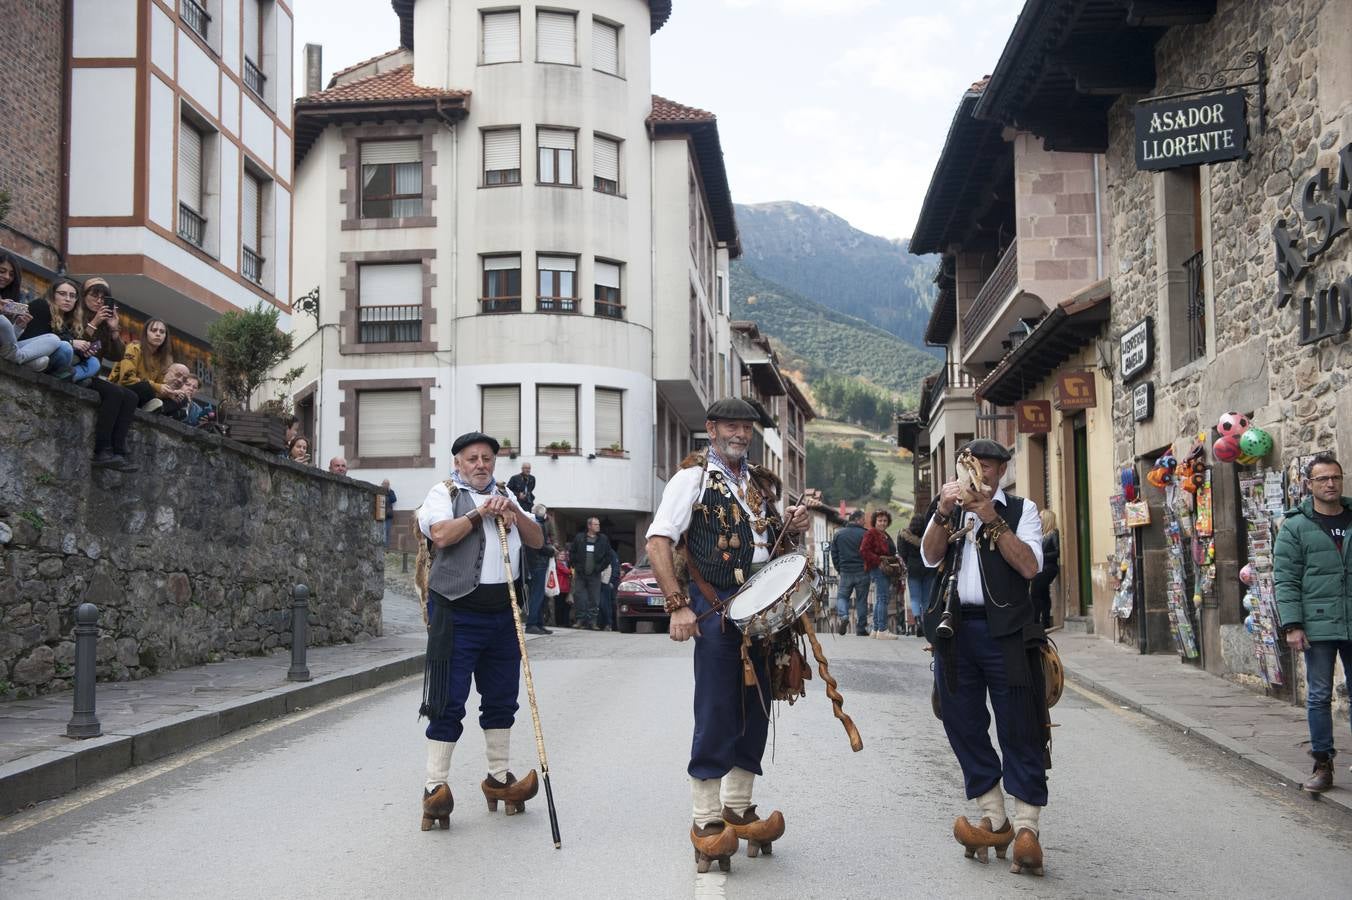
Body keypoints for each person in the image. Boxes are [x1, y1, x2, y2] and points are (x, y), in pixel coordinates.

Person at [645, 397, 810, 872]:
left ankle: (738, 807)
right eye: (732, 425)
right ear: (712, 428)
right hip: (714, 604)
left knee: (755, 707)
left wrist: (790, 526)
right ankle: (705, 820)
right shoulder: (691, 479)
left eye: (748, 427)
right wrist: (677, 605)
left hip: (763, 611)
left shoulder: (757, 483)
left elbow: (771, 544)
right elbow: (658, 541)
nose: (741, 433)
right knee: (718, 708)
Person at [920, 439, 1047, 876]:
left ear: (1003, 471)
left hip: (1008, 632)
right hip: (956, 630)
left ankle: (1027, 827)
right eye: (973, 465)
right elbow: (930, 555)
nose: (981, 474)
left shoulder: (1021, 509)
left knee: (1021, 725)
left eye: (989, 467)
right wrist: (943, 509)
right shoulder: (951, 508)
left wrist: (991, 518)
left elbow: (1030, 567)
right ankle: (994, 816)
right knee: (961, 721)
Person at [415, 431, 545, 831]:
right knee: (448, 700)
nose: (480, 465)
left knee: (502, 697)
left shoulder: (508, 494)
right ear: (458, 462)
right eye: (472, 458)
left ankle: (499, 779)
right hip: (456, 611)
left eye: (487, 458)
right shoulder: (443, 493)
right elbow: (439, 535)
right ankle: (434, 788)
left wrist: (516, 514)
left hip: (503, 613)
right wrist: (478, 514)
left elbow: (538, 541)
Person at [1275, 452, 1352, 794]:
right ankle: (1323, 764)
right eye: (1322, 479)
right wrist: (1292, 624)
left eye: (1335, 477)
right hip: (1317, 625)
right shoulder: (1295, 525)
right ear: (1309, 485)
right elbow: (1286, 579)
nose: (1330, 483)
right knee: (1319, 695)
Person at [75, 278, 140, 471]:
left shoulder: (104, 324)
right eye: (94, 295)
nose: (99, 301)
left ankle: (118, 450)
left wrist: (113, 330)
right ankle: (102, 449)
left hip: (92, 375)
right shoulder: (77, 315)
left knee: (131, 396)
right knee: (115, 393)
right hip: (76, 371)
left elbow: (118, 356)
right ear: (83, 296)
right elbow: (76, 348)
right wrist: (94, 322)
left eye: (104, 298)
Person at [0, 250, 66, 372]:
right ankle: (20, 358)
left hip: (6, 350)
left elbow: (9, 342)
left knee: (54, 339)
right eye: (2, 271)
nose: (6, 277)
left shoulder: (7, 298)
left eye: (11, 274)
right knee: (2, 320)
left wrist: (19, 326)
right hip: (9, 350)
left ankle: (18, 357)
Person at [109, 318, 186, 415]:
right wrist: (157, 387)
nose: (158, 334)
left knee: (182, 398)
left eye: (162, 332)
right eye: (154, 330)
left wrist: (169, 393)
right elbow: (126, 379)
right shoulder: (134, 348)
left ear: (165, 337)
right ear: (146, 334)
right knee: (146, 387)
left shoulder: (163, 360)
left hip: (146, 394)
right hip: (122, 389)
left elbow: (159, 387)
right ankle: (151, 408)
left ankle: (155, 409)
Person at [41, 277, 99, 382]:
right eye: (62, 294)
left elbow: (76, 348)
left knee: (94, 362)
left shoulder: (75, 320)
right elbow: (41, 339)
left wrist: (84, 353)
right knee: (65, 347)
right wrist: (71, 342)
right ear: (53, 295)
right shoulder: (43, 308)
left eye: (72, 296)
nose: (68, 299)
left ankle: (67, 377)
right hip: (45, 356)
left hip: (67, 362)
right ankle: (71, 378)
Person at [569, 517, 617, 631]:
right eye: (596, 524)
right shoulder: (579, 538)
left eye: (598, 524)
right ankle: (580, 620)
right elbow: (572, 552)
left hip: (595, 574)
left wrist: (600, 568)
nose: (598, 526)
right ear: (589, 526)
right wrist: (576, 565)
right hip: (581, 573)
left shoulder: (603, 539)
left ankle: (592, 622)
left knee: (594, 598)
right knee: (579, 596)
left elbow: (608, 555)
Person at [861, 509, 900, 640]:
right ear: (875, 522)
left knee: (880, 598)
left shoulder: (885, 534)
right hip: (878, 568)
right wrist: (879, 562)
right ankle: (882, 629)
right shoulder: (871, 533)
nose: (882, 523)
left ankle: (876, 629)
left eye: (885, 521)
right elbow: (863, 551)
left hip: (883, 568)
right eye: (880, 521)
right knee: (883, 598)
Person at [831, 509, 870, 636]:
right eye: (863, 519)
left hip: (845, 571)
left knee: (842, 597)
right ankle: (861, 628)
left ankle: (843, 616)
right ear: (858, 519)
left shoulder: (839, 534)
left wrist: (839, 568)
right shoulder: (865, 534)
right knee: (861, 600)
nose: (864, 522)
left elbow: (834, 554)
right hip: (862, 571)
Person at [898, 511, 933, 637]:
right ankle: (925, 623)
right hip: (928, 568)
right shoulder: (929, 535)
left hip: (913, 568)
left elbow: (902, 553)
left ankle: (917, 620)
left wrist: (908, 563)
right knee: (926, 598)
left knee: (914, 597)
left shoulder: (904, 535)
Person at [523, 504, 555, 635]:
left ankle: (539, 623)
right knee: (537, 595)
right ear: (544, 514)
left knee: (539, 595)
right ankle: (532, 624)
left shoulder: (531, 523)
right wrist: (552, 551)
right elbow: (540, 546)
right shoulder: (538, 526)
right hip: (538, 563)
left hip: (533, 563)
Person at [1031, 509, 1060, 630]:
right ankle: (1045, 621)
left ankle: (1036, 621)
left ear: (1047, 519)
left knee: (1035, 592)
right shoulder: (1043, 534)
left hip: (1049, 567)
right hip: (1043, 567)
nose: (1039, 519)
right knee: (1043, 594)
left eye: (1041, 517)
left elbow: (1057, 552)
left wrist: (1042, 556)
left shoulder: (1053, 533)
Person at [382, 480, 398, 547]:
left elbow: (394, 499)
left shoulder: (391, 492)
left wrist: (388, 492)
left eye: (387, 484)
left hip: (388, 515)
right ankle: (382, 546)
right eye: (384, 484)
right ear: (382, 484)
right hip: (381, 514)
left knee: (387, 531)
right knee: (382, 531)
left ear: (389, 485)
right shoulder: (379, 490)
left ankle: (386, 547)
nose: (385, 485)